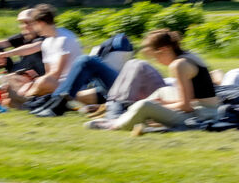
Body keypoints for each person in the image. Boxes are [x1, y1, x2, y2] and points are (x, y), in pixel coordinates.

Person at [86, 29, 220, 134]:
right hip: (205, 108)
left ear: (164, 50)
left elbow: (186, 106)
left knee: (144, 105)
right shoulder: (188, 56)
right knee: (163, 91)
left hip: (201, 115)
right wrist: (163, 103)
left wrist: (161, 105)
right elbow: (190, 99)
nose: (157, 61)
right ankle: (128, 117)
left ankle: (116, 125)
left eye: (155, 57)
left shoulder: (178, 65)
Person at [5, 4, 82, 104]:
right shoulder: (47, 42)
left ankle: (25, 98)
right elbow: (48, 73)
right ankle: (24, 97)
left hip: (71, 84)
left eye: (33, 24)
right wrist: (32, 80)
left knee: (43, 82)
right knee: (12, 78)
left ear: (41, 23)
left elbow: (56, 74)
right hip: (54, 83)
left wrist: (33, 84)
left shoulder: (64, 39)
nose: (32, 28)